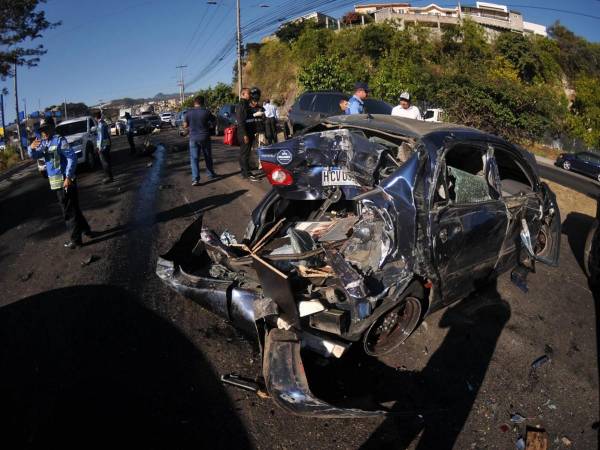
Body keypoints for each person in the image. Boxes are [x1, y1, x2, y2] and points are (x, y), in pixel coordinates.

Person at [27, 117, 92, 249]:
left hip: (65, 182)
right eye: (41, 130)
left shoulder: (59, 141)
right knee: (74, 208)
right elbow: (34, 155)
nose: (43, 132)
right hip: (58, 183)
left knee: (69, 212)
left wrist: (68, 177)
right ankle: (86, 230)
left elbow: (71, 157)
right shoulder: (44, 143)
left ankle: (76, 240)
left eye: (45, 128)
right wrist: (31, 148)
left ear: (52, 127)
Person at [183, 95, 216, 186]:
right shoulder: (206, 112)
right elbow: (213, 122)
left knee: (194, 159)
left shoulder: (188, 113)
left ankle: (195, 179)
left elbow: (185, 126)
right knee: (207, 157)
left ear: (195, 102)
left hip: (193, 138)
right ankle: (210, 174)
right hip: (205, 137)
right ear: (203, 102)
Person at [236, 87, 260, 181]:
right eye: (248, 94)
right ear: (243, 94)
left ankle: (244, 172)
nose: (250, 95)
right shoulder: (241, 105)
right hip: (244, 134)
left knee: (244, 154)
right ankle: (247, 173)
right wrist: (245, 135)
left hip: (248, 133)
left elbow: (248, 119)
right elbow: (241, 121)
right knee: (245, 154)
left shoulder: (246, 105)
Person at [94, 111, 113, 183]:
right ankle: (110, 176)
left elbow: (101, 136)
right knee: (107, 161)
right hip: (107, 144)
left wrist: (99, 147)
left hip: (103, 146)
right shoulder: (104, 123)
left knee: (104, 162)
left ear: (96, 117)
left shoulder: (100, 124)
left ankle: (108, 177)